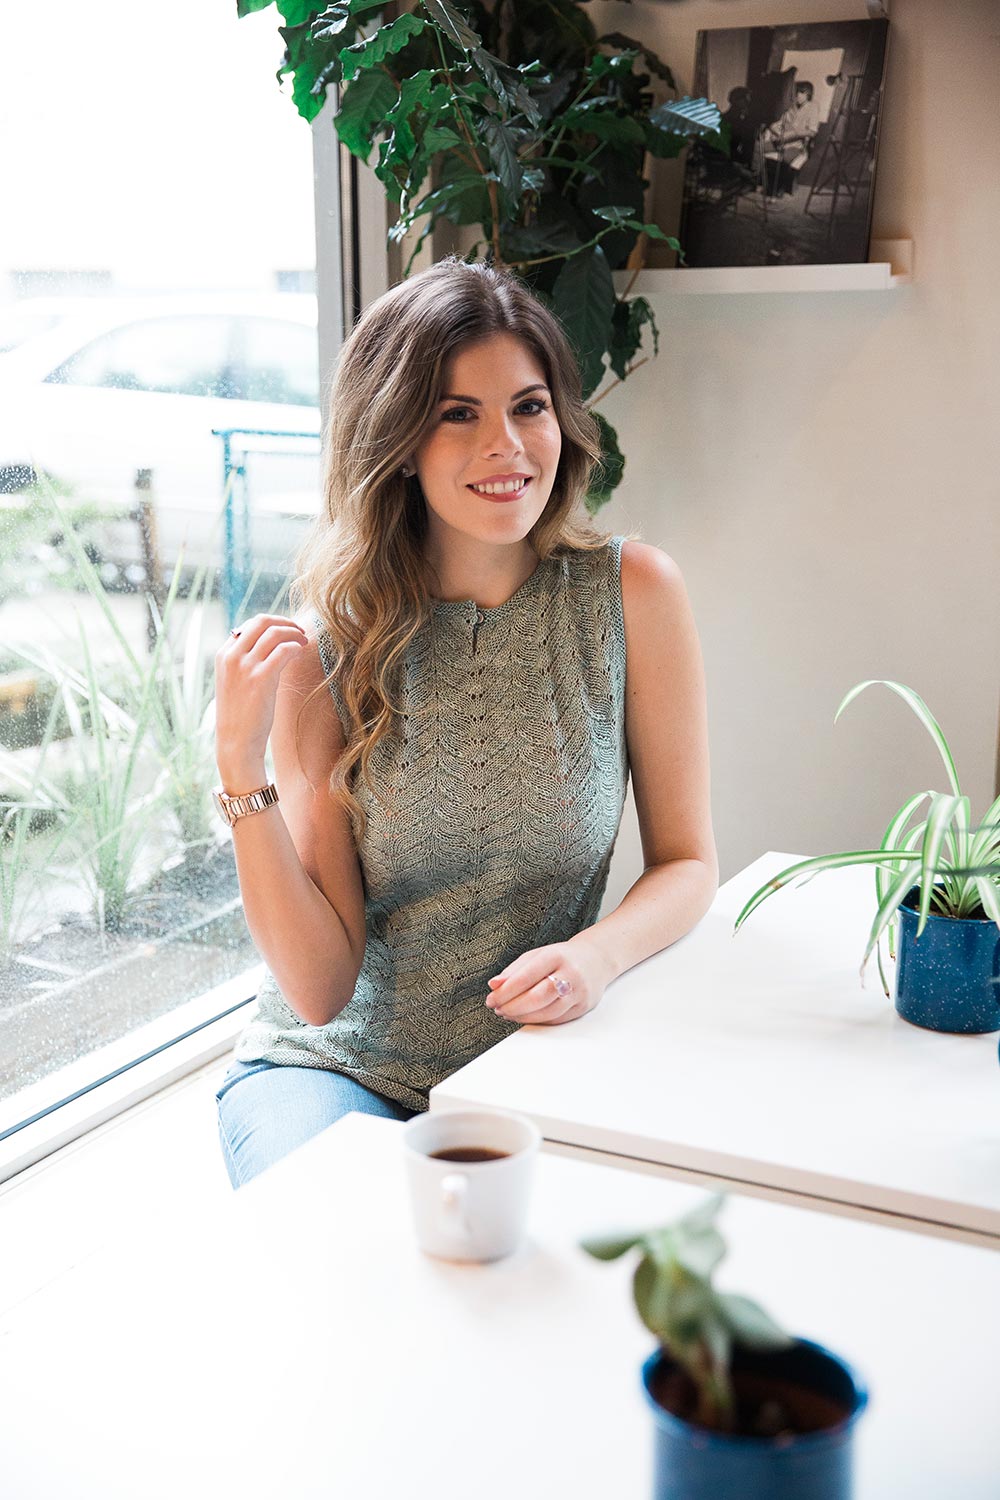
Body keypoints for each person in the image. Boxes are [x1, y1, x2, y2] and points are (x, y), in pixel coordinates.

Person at [213, 258, 718, 1188]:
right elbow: (322, 992)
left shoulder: (632, 593)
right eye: (459, 414)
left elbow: (688, 862)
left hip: (537, 1066)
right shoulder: (331, 654)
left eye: (528, 408)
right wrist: (243, 771)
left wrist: (595, 957)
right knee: (345, 1246)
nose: (509, 446)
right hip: (340, 1073)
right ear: (401, 440)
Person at [763, 80, 822, 198]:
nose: (797, 96)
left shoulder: (813, 107)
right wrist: (774, 128)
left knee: (784, 158)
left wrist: (793, 134)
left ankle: (778, 188)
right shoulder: (793, 107)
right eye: (796, 93)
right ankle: (767, 184)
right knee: (762, 148)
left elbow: (812, 132)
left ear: (808, 94)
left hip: (798, 145)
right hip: (782, 141)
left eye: (801, 93)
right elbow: (781, 122)